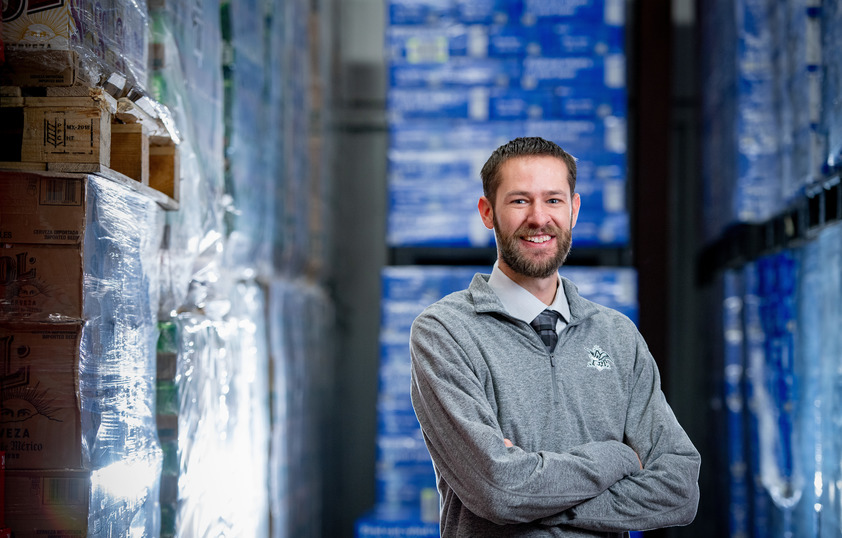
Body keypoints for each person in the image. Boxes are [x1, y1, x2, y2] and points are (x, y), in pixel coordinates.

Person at [409, 137, 701, 537]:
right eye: (519, 201)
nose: (538, 218)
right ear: (487, 212)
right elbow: (498, 489)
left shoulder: (616, 336)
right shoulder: (445, 332)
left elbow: (680, 489)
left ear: (574, 210)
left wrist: (538, 498)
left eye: (553, 200)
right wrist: (615, 457)